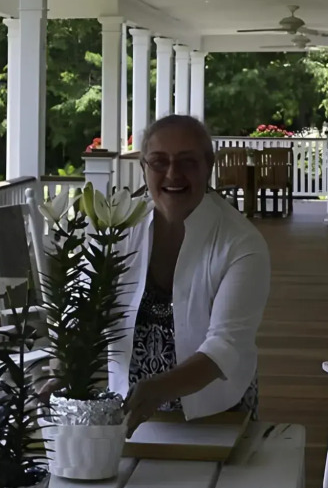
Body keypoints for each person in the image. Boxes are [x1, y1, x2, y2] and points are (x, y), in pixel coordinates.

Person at [116, 115, 271, 436]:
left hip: (215, 410)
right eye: (159, 161)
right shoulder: (118, 230)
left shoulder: (241, 242)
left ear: (208, 166)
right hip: (129, 407)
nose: (173, 174)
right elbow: (87, 311)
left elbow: (226, 346)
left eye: (187, 161)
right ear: (143, 167)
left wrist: (160, 388)